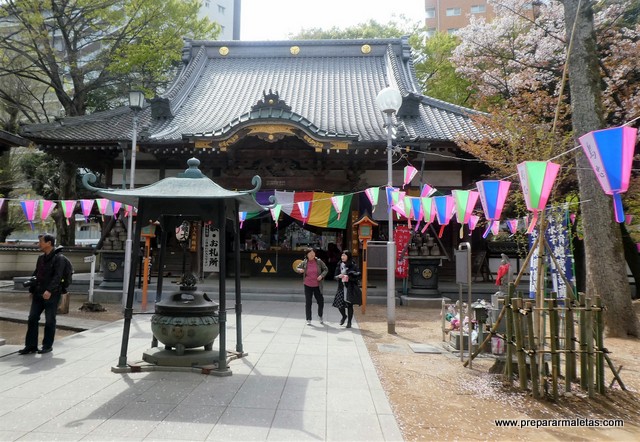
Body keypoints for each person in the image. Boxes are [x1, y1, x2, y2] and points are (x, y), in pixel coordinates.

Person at [19, 233, 65, 355]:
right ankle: (31, 345)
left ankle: (47, 345)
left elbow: (58, 276)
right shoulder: (41, 258)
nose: (39, 244)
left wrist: (49, 290)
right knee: (32, 318)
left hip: (52, 294)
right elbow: (36, 275)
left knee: (50, 320)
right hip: (38, 293)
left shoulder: (59, 258)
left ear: (49, 243)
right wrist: (32, 290)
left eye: (41, 242)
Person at [296, 247, 329, 325]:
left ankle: (320, 315)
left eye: (313, 253)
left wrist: (321, 276)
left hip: (317, 285)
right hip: (307, 285)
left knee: (320, 301)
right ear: (307, 255)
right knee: (308, 302)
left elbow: (325, 269)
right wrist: (300, 270)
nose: (312, 255)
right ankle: (308, 319)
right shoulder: (304, 262)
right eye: (310, 253)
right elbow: (297, 267)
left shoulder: (319, 261)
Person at [332, 249, 362, 328]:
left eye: (344, 255)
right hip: (341, 287)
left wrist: (349, 277)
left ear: (348, 256)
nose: (343, 257)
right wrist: (339, 276)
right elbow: (335, 276)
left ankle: (349, 322)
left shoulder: (353, 265)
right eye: (342, 255)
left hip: (350, 287)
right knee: (339, 304)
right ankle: (344, 316)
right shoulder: (339, 264)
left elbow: (358, 275)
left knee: (349, 305)